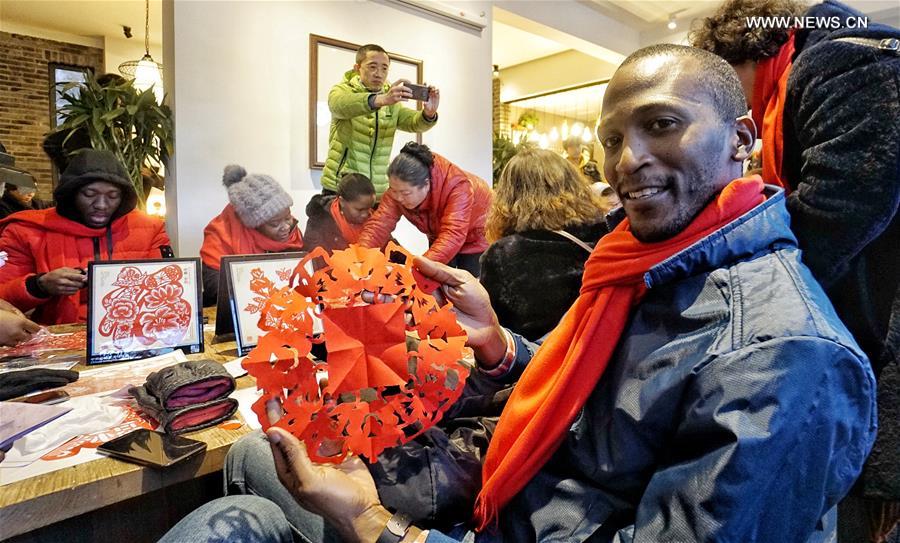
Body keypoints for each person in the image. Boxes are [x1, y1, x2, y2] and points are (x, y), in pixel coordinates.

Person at [171, 45, 878, 543]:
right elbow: (608, 405)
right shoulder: (642, 265)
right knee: (253, 469)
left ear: (742, 138)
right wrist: (501, 346)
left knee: (241, 491)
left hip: (486, 521)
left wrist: (374, 524)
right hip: (501, 505)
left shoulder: (787, 357)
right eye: (612, 138)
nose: (627, 160)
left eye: (661, 125)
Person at [691, 2, 900, 539]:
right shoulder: (827, 62)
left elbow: (847, 201)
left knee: (867, 508)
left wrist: (766, 291)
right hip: (870, 305)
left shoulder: (841, 60)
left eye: (723, 86)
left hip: (879, 315)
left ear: (745, 54)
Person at [0, 149, 170, 324]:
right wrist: (39, 285)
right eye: (89, 194)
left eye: (113, 196)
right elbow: (3, 297)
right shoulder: (26, 230)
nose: (101, 205)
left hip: (135, 329)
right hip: (58, 333)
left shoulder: (150, 228)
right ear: (71, 194)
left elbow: (165, 288)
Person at [480, 148, 607, 340]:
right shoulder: (605, 234)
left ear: (508, 196)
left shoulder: (503, 254)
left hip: (539, 355)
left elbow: (495, 331)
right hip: (600, 347)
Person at [320, 43, 440, 198]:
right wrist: (380, 100)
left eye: (384, 68)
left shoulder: (390, 100)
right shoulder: (342, 90)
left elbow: (413, 122)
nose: (379, 74)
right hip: (341, 187)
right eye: (372, 67)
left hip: (376, 191)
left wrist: (429, 113)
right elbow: (339, 105)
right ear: (357, 68)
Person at [357, 143, 492, 277]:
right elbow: (379, 225)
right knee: (435, 281)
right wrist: (359, 258)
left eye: (405, 193)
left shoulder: (458, 187)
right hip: (440, 235)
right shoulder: (398, 191)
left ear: (426, 184)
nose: (398, 198)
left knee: (466, 282)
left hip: (475, 236)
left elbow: (453, 234)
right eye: (393, 190)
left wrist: (414, 271)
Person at [200, 165, 303, 306]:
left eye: (288, 217)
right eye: (274, 224)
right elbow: (215, 288)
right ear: (254, 225)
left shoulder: (292, 234)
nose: (286, 227)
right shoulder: (221, 236)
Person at [303, 173, 376, 253]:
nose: (365, 214)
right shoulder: (319, 222)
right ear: (342, 201)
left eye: (368, 208)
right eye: (360, 210)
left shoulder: (375, 221)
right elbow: (315, 256)